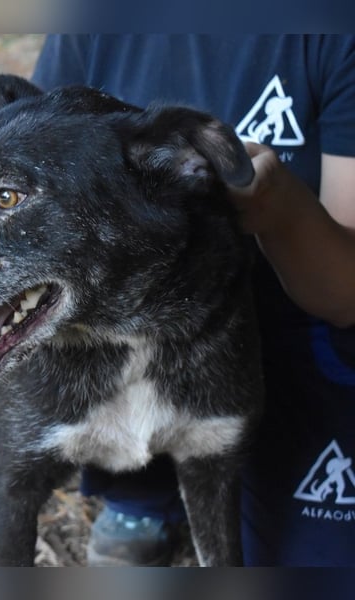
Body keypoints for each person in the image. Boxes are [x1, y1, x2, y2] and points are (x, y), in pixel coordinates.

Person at [31, 34, 355, 566]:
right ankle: (140, 494)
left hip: (296, 335)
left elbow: (345, 296)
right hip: (130, 321)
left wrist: (282, 210)